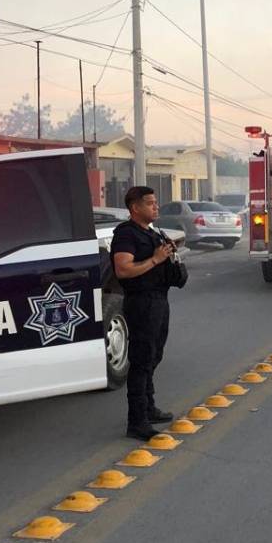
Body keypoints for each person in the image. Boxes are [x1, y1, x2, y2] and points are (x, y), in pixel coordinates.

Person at [111, 185, 176, 439]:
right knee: (141, 360)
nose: (156, 207)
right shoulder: (126, 234)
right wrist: (155, 259)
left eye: (156, 202)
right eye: (150, 203)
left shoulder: (152, 233)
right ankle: (137, 421)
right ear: (135, 208)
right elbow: (123, 270)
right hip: (141, 302)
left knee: (154, 355)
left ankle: (149, 408)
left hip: (159, 299)